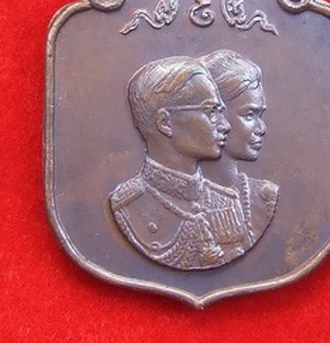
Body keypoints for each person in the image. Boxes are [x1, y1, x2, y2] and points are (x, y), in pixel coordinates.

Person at [109, 55, 250, 270]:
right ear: (165, 122)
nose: (224, 125)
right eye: (211, 112)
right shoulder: (128, 206)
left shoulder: (227, 202)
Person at [200, 50, 279, 248]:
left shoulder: (265, 197)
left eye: (260, 115)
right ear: (214, 115)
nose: (261, 128)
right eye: (249, 115)